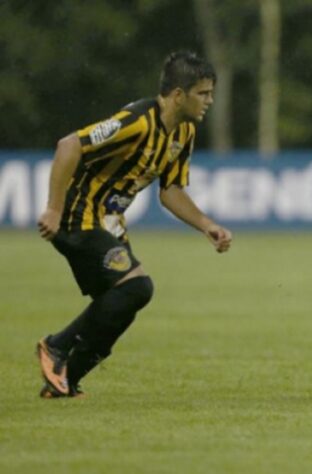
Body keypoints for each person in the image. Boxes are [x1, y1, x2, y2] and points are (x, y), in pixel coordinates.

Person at [35, 51, 232, 398]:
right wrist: (53, 208)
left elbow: (170, 190)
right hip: (77, 216)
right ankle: (56, 347)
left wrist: (207, 225)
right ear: (178, 95)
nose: (209, 101)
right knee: (136, 287)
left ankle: (65, 380)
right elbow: (69, 146)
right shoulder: (137, 121)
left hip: (108, 223)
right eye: (203, 93)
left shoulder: (183, 131)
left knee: (125, 301)